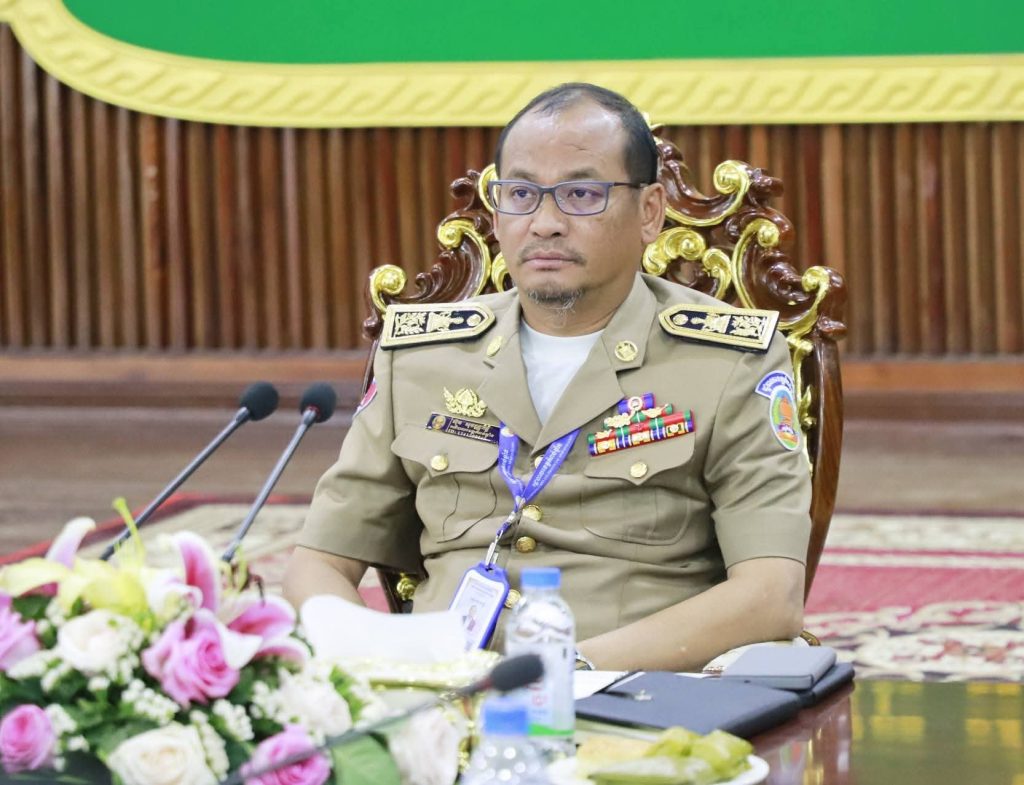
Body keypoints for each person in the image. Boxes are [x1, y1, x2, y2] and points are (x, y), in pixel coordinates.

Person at [284, 83, 811, 672]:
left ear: (649, 212)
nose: (545, 223)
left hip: (628, 694)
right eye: (521, 194)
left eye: (581, 194)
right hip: (438, 692)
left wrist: (558, 673)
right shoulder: (420, 355)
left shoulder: (728, 360)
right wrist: (369, 659)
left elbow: (770, 594)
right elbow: (319, 563)